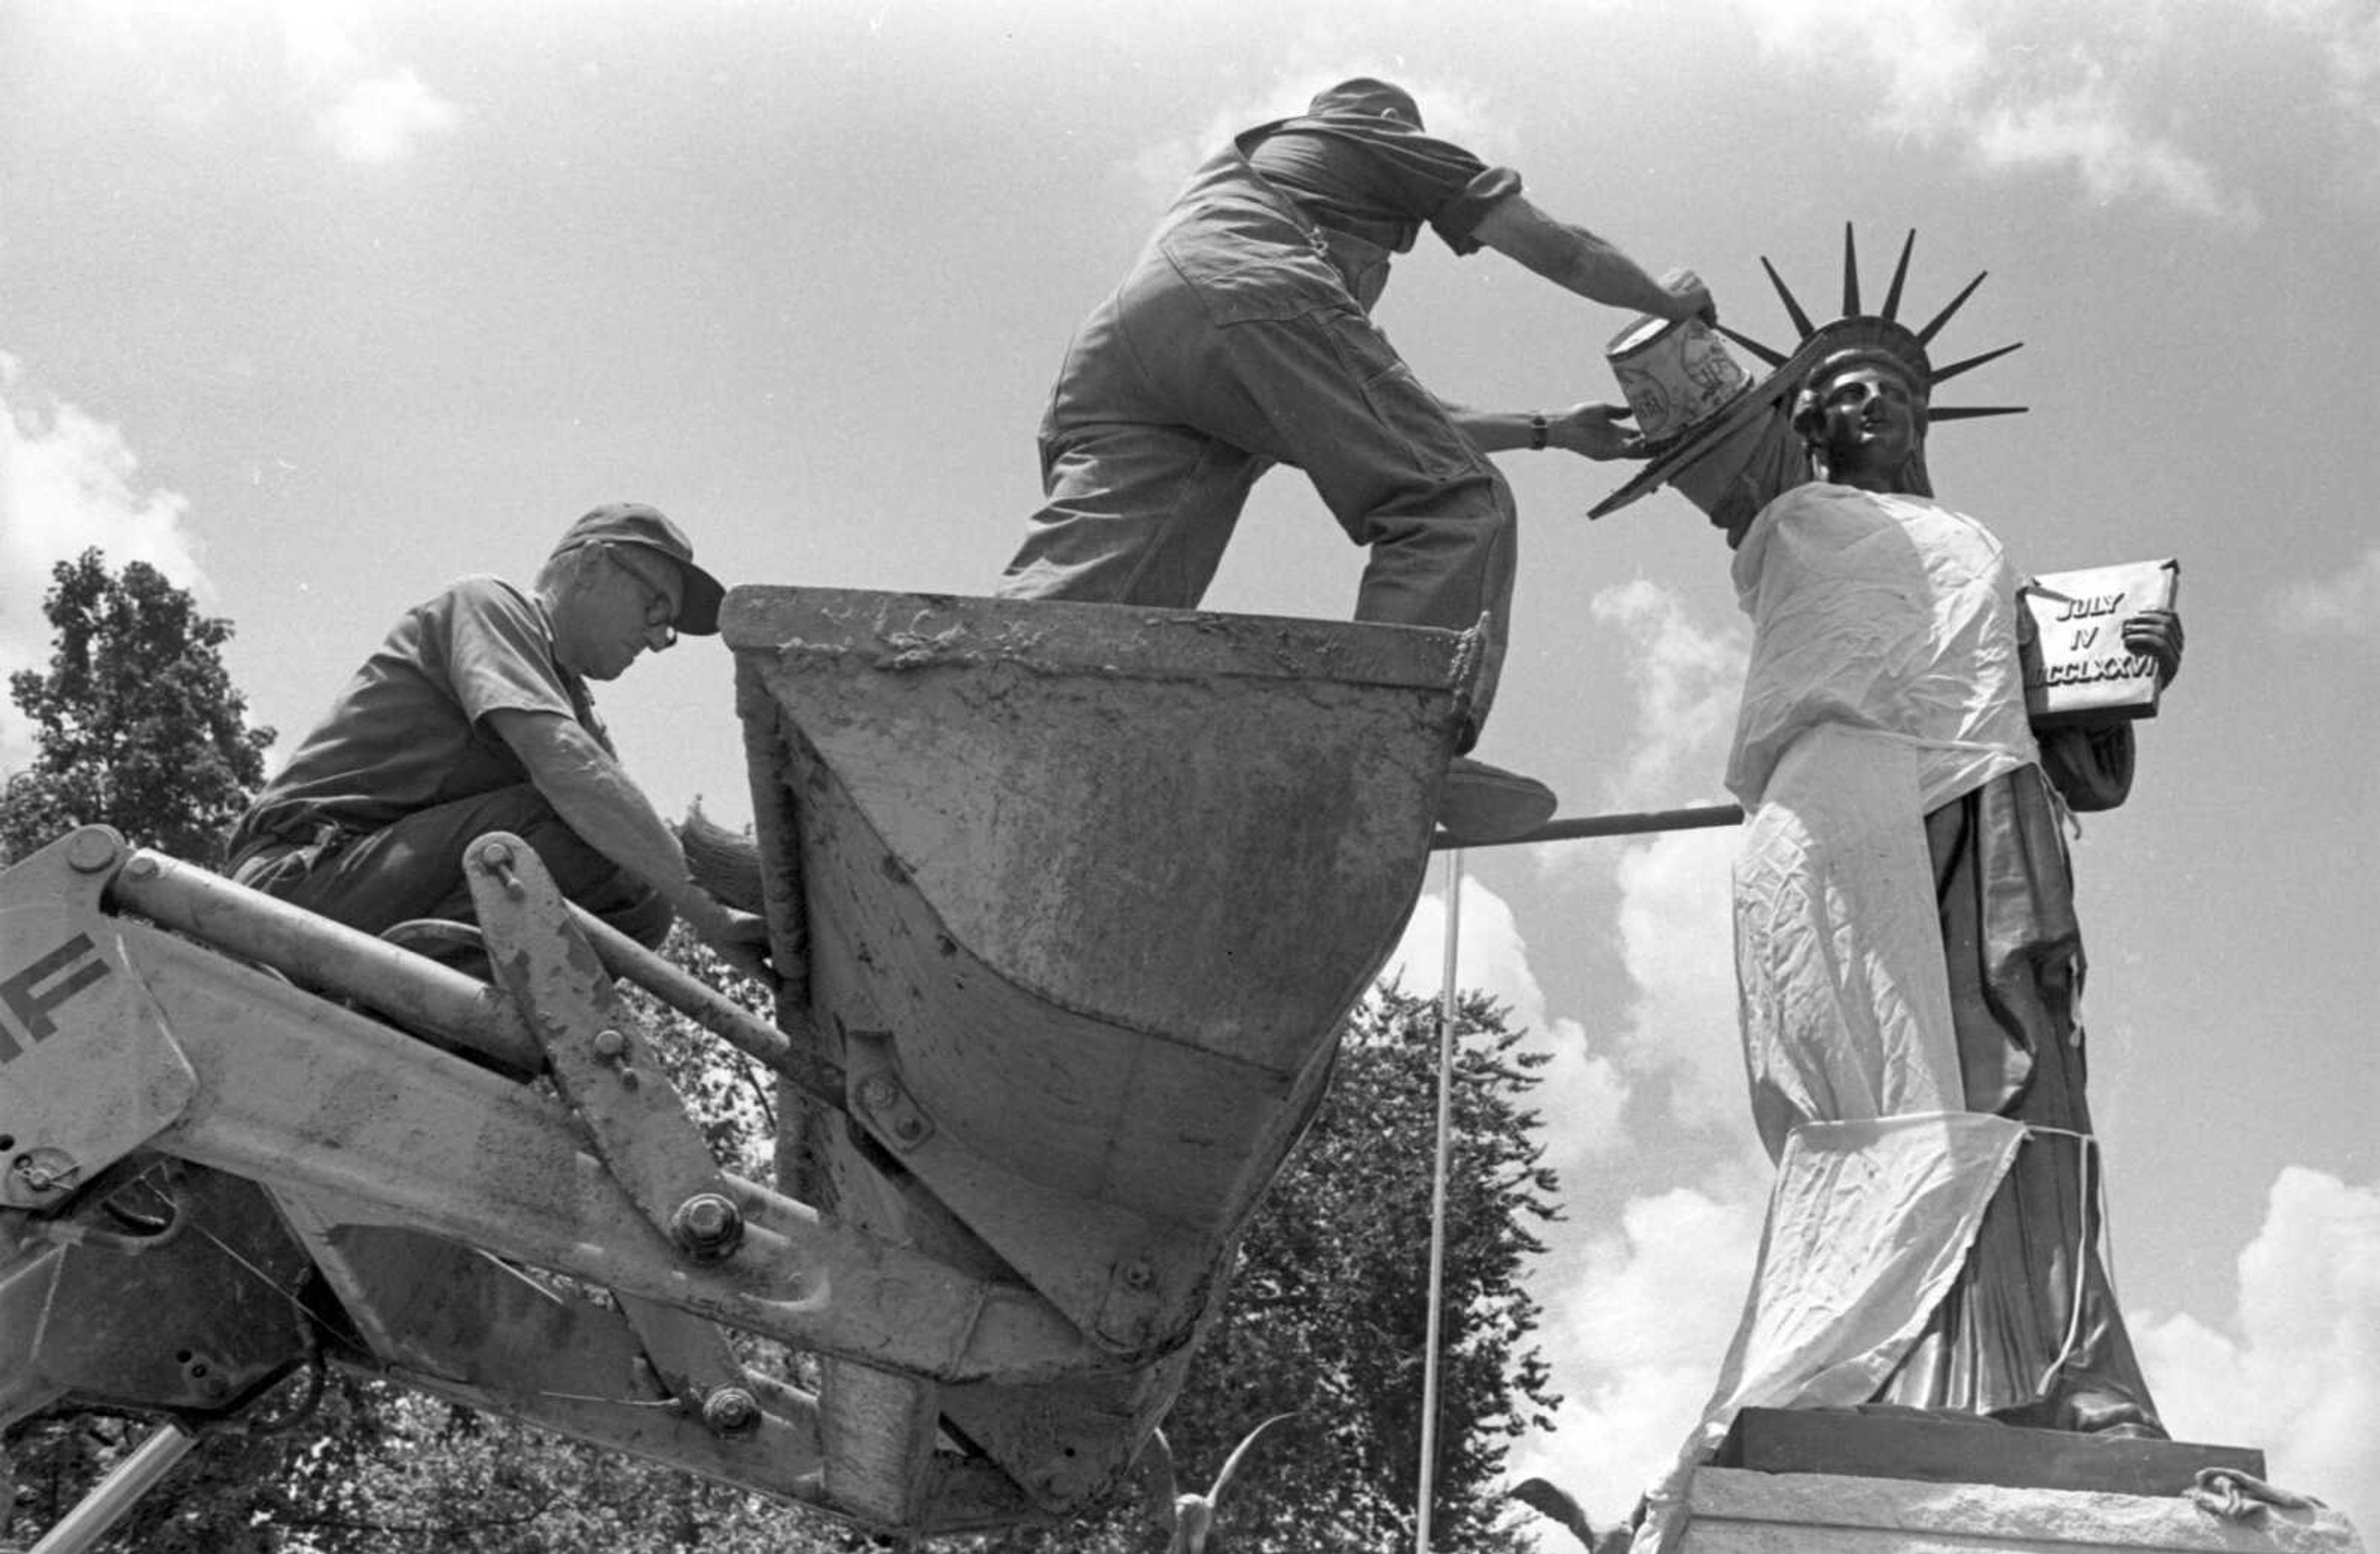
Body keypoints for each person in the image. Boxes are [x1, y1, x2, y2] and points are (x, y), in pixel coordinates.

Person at [1712, 330, 2183, 1441]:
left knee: (2027, 1086)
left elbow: (2067, 735)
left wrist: (2125, 669)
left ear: (1924, 416)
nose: (1869, 397)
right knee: (1879, 1089)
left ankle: (2068, 1371)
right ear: (1803, 425)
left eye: (1893, 387)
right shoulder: (1787, 516)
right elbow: (1684, 405)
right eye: (1835, 389)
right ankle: (1885, 1368)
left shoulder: (1980, 551)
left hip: (1989, 811)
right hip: (1850, 808)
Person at [995, 77, 1712, 798]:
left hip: (1123, 355)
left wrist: (1550, 430)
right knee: (1457, 504)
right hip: (1246, 294)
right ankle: (1383, 741)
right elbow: (1563, 251)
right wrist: (1664, 299)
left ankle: (971, 704)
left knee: (1101, 596)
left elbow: (1404, 421)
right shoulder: (1372, 139)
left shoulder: (1253, 189)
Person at [225, 503, 770, 980]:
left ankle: (463, 1035)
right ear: (591, 565)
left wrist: (723, 917)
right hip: (300, 879)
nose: (655, 639)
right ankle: (411, 1005)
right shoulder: (488, 607)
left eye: (667, 628)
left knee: (643, 901)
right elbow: (570, 773)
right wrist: (708, 910)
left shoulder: (573, 704)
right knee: (579, 827)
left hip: (375, 886)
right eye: (654, 609)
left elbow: (624, 828)